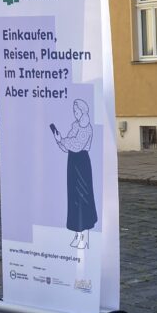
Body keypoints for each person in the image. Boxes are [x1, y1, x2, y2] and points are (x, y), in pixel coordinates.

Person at [52, 99, 98, 249]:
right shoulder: (75, 126)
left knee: (83, 197)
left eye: (77, 111)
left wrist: (64, 140)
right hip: (72, 162)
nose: (75, 114)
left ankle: (85, 237)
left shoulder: (86, 127)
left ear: (83, 111)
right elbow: (67, 147)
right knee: (73, 198)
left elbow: (77, 145)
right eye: (74, 112)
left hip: (81, 163)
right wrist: (59, 140)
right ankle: (77, 234)